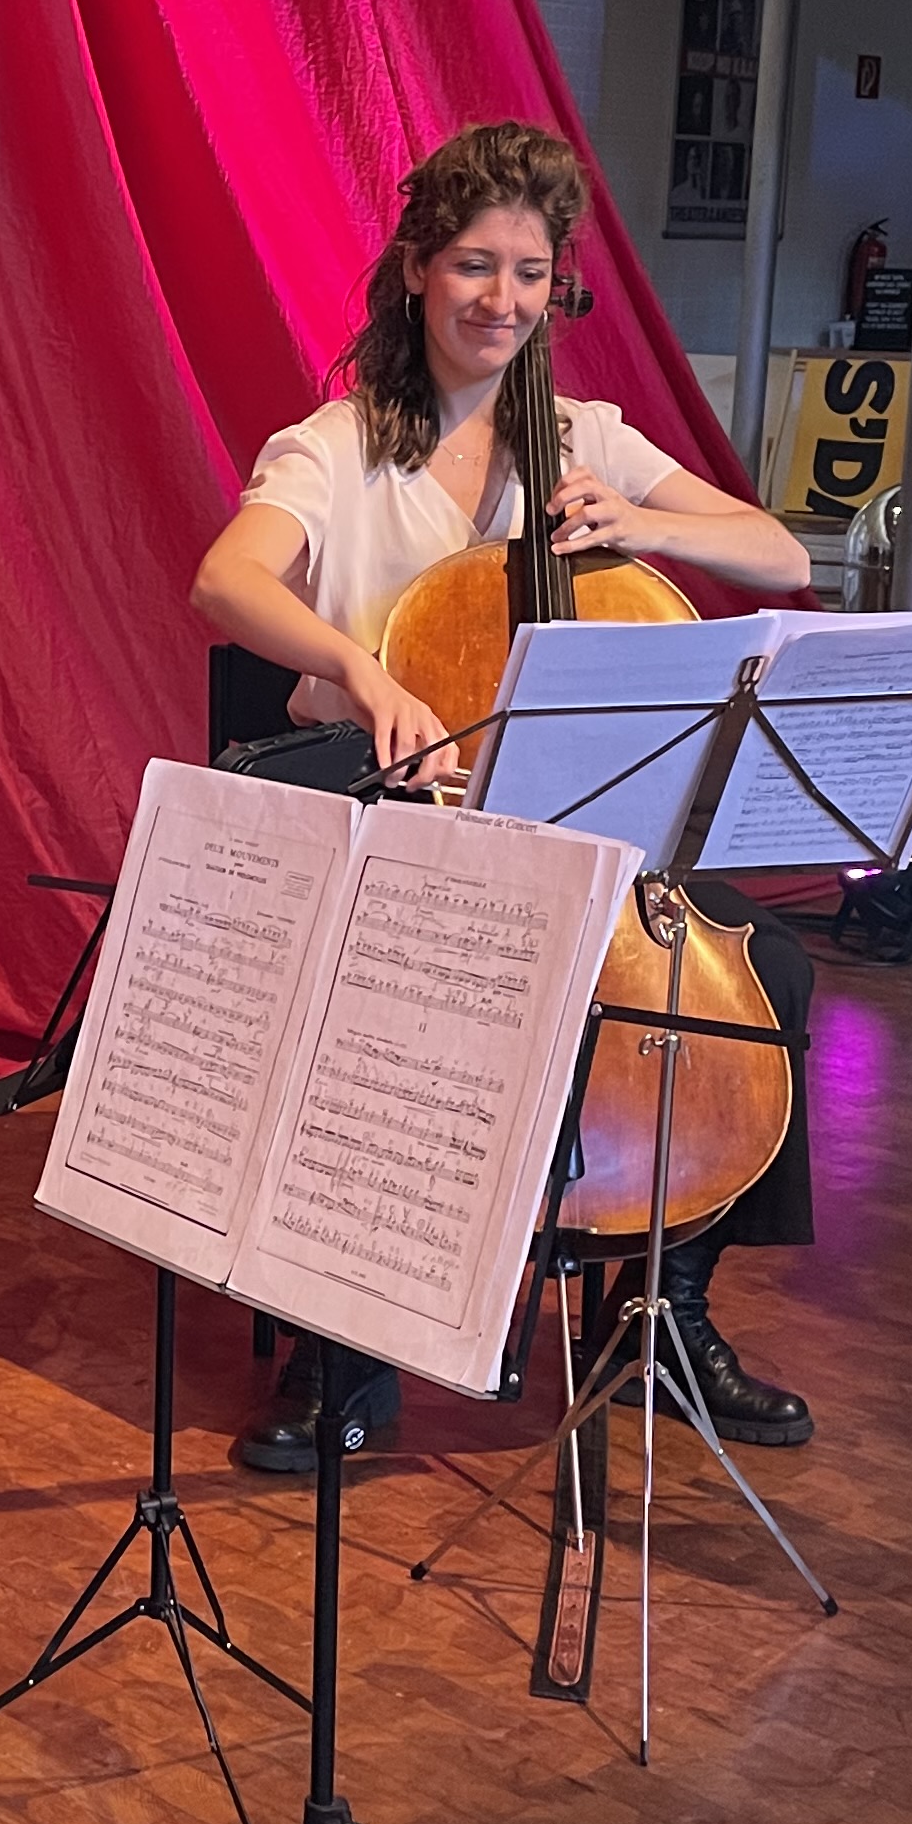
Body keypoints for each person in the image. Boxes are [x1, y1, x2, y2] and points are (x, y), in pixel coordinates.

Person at [187, 120, 823, 1470]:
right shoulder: (338, 445)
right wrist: (362, 670)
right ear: (419, 267)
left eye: (530, 274)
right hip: (400, 818)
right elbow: (225, 581)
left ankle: (658, 1318)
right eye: (475, 265)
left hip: (573, 830)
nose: (502, 300)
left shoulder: (585, 439)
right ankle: (344, 1344)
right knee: (389, 988)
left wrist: (646, 524)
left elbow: (777, 556)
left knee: (770, 970)